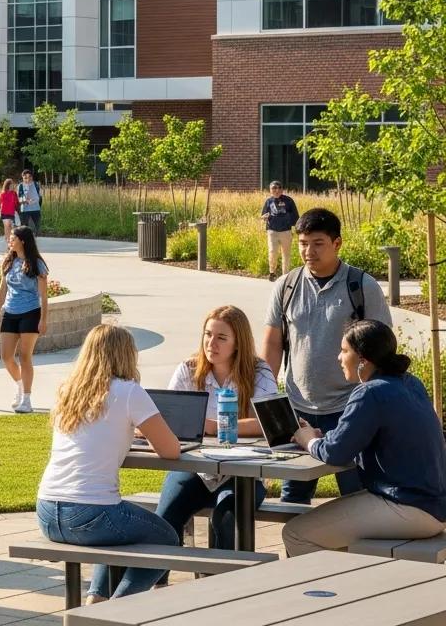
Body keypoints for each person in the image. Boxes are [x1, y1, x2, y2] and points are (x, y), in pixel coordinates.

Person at [37, 324, 181, 602]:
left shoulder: (68, 391)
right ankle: (117, 609)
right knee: (167, 538)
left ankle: (97, 599)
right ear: (126, 355)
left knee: (116, 525)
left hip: (46, 511)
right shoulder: (128, 391)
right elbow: (171, 450)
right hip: (90, 513)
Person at [261, 206, 391, 505]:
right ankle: (301, 551)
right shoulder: (286, 285)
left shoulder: (361, 286)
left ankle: (358, 554)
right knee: (292, 498)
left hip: (349, 407)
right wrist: (266, 396)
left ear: (337, 243)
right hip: (298, 410)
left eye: (318, 243)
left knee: (356, 496)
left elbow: (381, 347)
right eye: (304, 243)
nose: (309, 251)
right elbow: (272, 344)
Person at [283, 319, 446, 555]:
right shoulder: (410, 383)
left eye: (344, 350)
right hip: (433, 507)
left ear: (362, 359)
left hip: (406, 507)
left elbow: (335, 453)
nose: (339, 357)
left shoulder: (369, 392)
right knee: (329, 532)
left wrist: (308, 439)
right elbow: (362, 438)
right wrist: (324, 438)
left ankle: (329, 592)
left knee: (296, 533)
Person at [155, 306, 278, 559]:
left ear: (238, 343)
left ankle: (221, 587)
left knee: (225, 517)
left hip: (245, 473)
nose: (212, 343)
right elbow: (171, 420)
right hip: (196, 468)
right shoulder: (188, 370)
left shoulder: (259, 371)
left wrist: (214, 425)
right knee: (165, 518)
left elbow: (268, 422)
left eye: (221, 338)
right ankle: (159, 587)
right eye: (208, 334)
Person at [0, 225, 48, 414]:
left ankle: (27, 399)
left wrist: (43, 319)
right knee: (6, 357)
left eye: (13, 238)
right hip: (10, 312)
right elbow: (2, 290)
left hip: (30, 312)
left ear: (22, 241)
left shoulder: (37, 263)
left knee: (25, 357)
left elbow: (44, 295)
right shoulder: (8, 261)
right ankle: (19, 385)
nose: (10, 240)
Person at [260, 180, 299, 282]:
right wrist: (265, 216)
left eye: (278, 188)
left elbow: (295, 215)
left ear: (282, 190)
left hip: (286, 231)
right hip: (272, 231)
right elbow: (263, 215)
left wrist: (295, 227)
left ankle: (285, 276)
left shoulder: (289, 201)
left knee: (286, 254)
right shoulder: (268, 201)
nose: (276, 190)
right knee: (272, 252)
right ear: (270, 190)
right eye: (274, 188)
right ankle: (272, 272)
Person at [17, 170, 42, 234]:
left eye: (29, 176)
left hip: (36, 209)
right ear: (22, 177)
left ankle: (33, 242)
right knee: (25, 229)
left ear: (32, 177)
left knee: (37, 229)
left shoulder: (36, 185)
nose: (28, 179)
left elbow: (40, 197)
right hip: (25, 211)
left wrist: (36, 202)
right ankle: (26, 243)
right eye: (25, 177)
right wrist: (26, 201)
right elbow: (18, 199)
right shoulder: (20, 186)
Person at [0, 178, 19, 247]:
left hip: (12, 213)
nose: (12, 186)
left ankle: (11, 241)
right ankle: (8, 242)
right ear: (7, 185)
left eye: (13, 185)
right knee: (7, 226)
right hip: (4, 213)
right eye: (11, 185)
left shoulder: (14, 193)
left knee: (11, 227)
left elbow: (16, 203)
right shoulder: (2, 193)